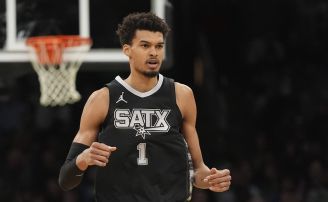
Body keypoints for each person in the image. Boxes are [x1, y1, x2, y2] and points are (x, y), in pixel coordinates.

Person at [58, 12, 231, 202]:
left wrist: (211, 179)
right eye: (145, 45)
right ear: (127, 50)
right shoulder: (102, 98)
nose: (154, 53)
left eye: (159, 46)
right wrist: (83, 159)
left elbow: (198, 171)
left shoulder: (182, 95)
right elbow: (66, 180)